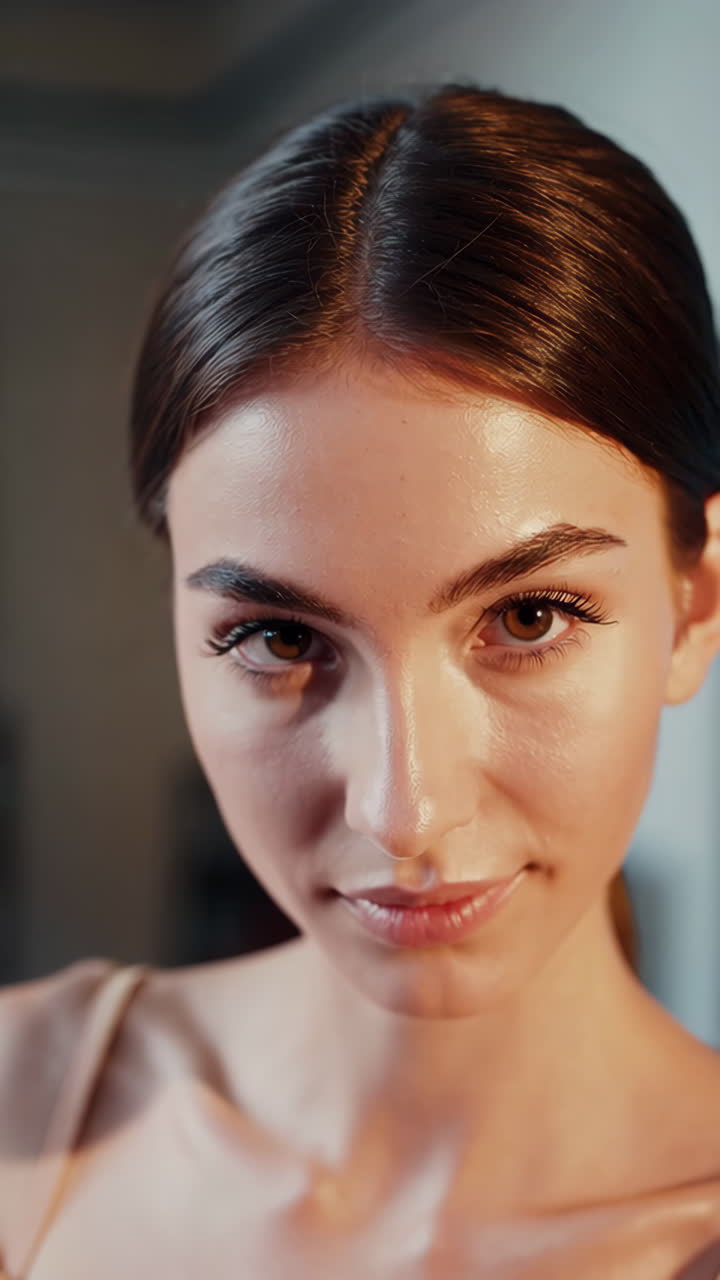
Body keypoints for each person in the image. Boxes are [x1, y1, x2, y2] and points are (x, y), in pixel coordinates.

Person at [1, 78, 720, 1279]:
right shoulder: (22, 1119)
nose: (403, 808)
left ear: (695, 607)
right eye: (281, 639)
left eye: (529, 615)